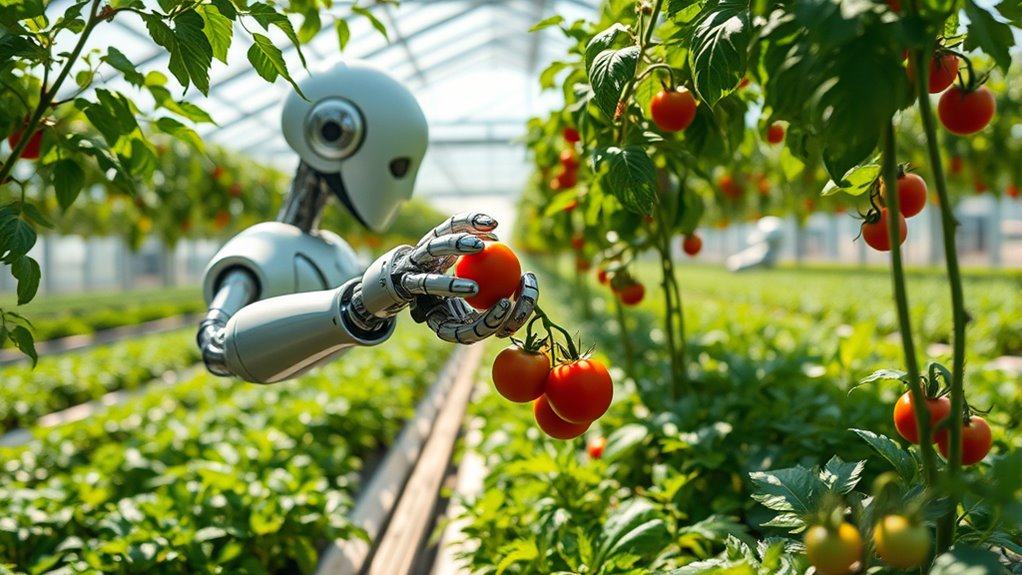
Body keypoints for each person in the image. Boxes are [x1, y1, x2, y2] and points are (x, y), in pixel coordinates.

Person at [196, 61, 537, 383]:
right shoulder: (262, 248)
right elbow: (217, 348)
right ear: (332, 133)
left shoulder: (333, 250)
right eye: (399, 167)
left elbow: (371, 295)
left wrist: (419, 295)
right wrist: (361, 304)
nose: (403, 193)